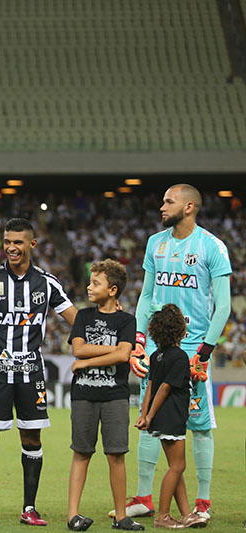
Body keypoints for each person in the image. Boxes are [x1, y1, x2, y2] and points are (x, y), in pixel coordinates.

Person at [127, 184, 231, 520]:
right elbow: (146, 296)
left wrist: (203, 353)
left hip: (193, 350)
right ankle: (144, 496)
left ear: (188, 207)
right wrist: (140, 340)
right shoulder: (155, 244)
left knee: (198, 424)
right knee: (149, 419)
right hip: (156, 349)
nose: (162, 206)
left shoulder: (211, 246)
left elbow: (224, 306)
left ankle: (203, 502)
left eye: (168, 201)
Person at [0, 218, 77, 528]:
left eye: (18, 242)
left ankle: (29, 507)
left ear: (32, 244)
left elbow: (74, 318)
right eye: (7, 242)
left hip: (32, 372)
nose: (11, 247)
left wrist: (107, 319)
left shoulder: (46, 282)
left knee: (31, 436)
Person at [65, 260, 143, 531]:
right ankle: (72, 515)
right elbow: (78, 349)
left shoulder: (127, 320)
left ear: (112, 290)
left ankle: (121, 517)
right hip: (83, 395)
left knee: (116, 455)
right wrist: (105, 353)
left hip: (115, 396)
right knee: (81, 453)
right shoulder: (84, 317)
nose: (89, 287)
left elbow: (124, 355)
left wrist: (88, 361)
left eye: (95, 283)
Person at [134, 304, 207, 529]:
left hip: (160, 416)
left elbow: (150, 388)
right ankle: (163, 516)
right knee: (177, 467)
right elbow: (164, 388)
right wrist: (150, 414)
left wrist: (145, 415)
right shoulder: (179, 357)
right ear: (180, 330)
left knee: (176, 467)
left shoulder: (157, 355)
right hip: (171, 415)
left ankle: (186, 514)